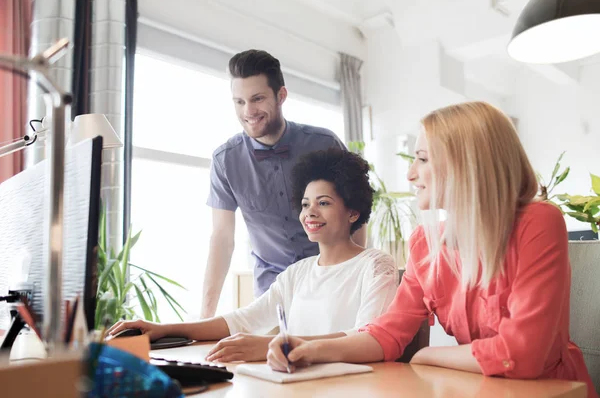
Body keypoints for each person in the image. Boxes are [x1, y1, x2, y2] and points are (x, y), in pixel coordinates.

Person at [266, 102, 597, 398]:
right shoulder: (425, 243)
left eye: (422, 159)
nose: (411, 174)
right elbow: (386, 333)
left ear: (467, 164)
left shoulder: (538, 222)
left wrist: (426, 356)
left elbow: (523, 354)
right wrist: (310, 349)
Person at [108, 149, 398, 363]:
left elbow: (366, 337)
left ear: (352, 212)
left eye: (323, 203)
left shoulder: (375, 266)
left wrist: (279, 344)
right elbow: (243, 320)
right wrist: (163, 328)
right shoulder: (298, 273)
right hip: (296, 386)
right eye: (305, 203)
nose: (310, 212)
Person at [201, 49, 366, 318]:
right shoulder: (225, 160)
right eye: (239, 102)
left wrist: (356, 276)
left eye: (257, 99)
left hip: (333, 283)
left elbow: (355, 216)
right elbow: (221, 238)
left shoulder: (324, 144)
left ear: (281, 96)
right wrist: (205, 318)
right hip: (272, 293)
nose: (248, 111)